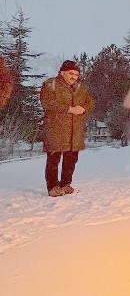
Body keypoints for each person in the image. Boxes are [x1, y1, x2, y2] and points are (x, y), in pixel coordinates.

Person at [39, 60, 95, 197]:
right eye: (71, 73)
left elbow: (91, 102)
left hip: (74, 130)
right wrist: (69, 109)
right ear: (62, 72)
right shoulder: (50, 84)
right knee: (54, 160)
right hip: (56, 129)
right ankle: (52, 187)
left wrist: (84, 109)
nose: (74, 77)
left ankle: (66, 184)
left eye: (76, 74)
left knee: (71, 159)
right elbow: (47, 103)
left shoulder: (81, 87)